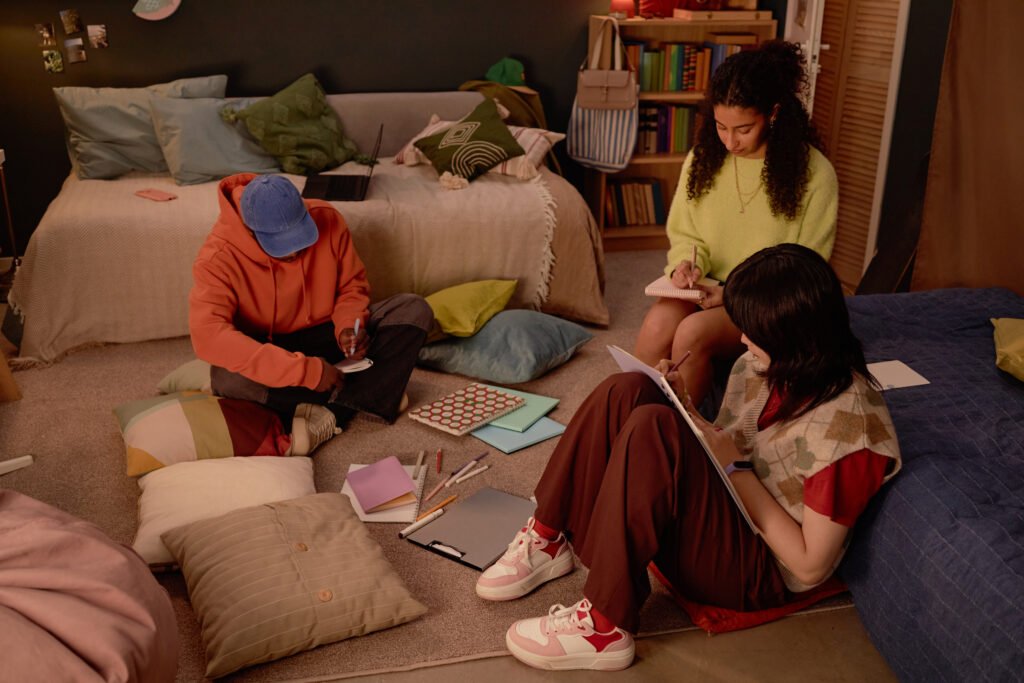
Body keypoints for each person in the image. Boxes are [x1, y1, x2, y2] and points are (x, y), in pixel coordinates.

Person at [476, 244, 901, 672]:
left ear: (792, 338)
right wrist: (684, 407)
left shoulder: (850, 432)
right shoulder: (768, 365)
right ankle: (549, 537)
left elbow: (809, 567)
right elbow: (728, 442)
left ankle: (604, 628)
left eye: (752, 330)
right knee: (627, 390)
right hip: (734, 506)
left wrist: (735, 469)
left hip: (763, 570)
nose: (741, 338)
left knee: (653, 430)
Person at [634, 41, 839, 408]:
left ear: (773, 113)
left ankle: (686, 439)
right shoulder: (703, 159)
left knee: (692, 333)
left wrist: (731, 297)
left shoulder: (815, 174)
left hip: (765, 303)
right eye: (720, 126)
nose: (729, 141)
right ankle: (632, 419)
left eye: (743, 128)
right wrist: (686, 264)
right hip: (706, 286)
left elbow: (804, 274)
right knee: (655, 326)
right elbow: (685, 233)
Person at [189, 173, 433, 455]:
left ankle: (330, 409)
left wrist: (348, 325)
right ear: (250, 231)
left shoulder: (327, 218)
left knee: (413, 310)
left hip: (327, 334)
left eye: (300, 239)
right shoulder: (217, 257)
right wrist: (306, 372)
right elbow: (208, 336)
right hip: (272, 347)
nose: (294, 253)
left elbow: (351, 286)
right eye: (281, 246)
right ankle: (368, 396)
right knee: (226, 378)